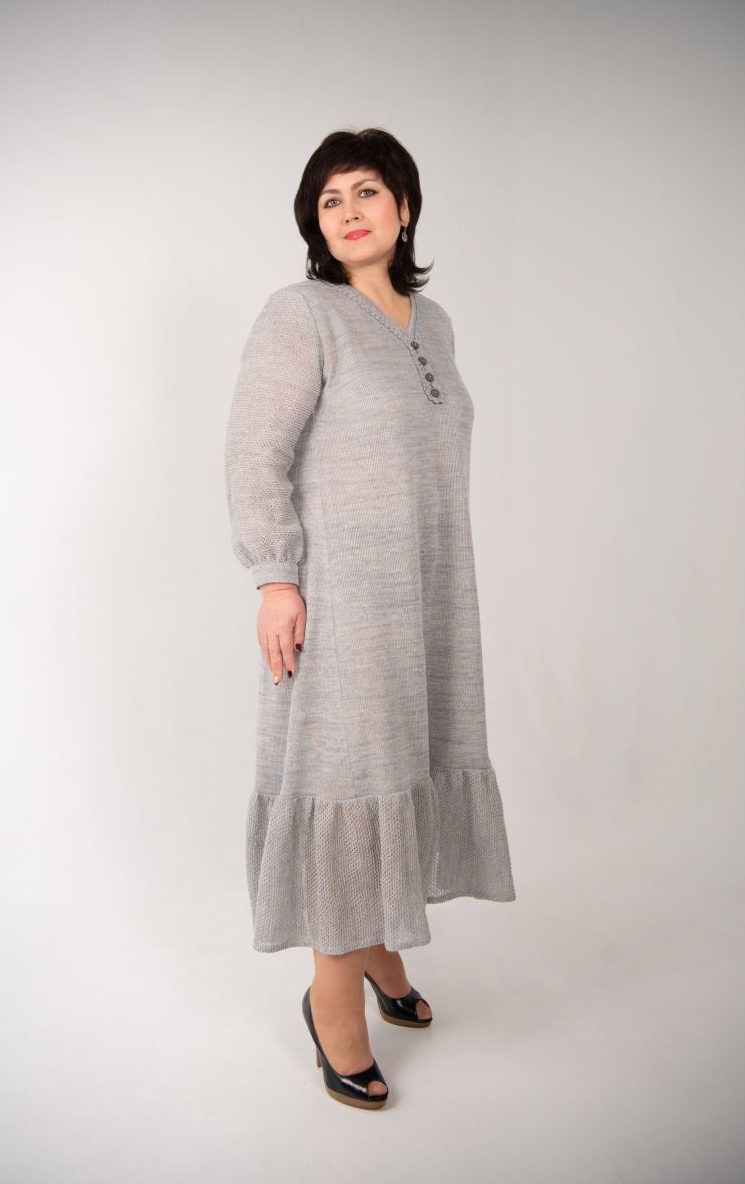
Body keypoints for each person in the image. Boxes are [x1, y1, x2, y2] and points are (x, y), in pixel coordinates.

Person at [224, 127, 516, 1109]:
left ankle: (382, 942)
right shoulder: (301, 312)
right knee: (348, 780)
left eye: (366, 191)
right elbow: (254, 450)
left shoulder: (435, 325)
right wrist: (275, 576)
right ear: (316, 223)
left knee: (405, 761)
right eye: (329, 199)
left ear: (404, 206)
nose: (348, 211)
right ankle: (332, 1000)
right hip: (343, 601)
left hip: (427, 595)